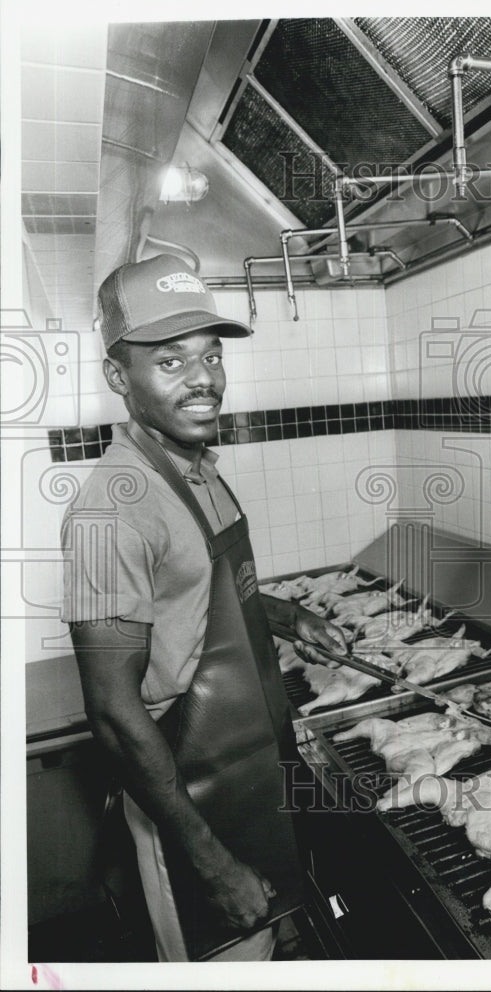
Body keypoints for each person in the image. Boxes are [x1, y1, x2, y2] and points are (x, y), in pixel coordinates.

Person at [60, 253, 347, 962]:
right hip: (191, 803)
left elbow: (198, 592)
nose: (203, 378)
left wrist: (287, 618)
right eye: (170, 360)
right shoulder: (114, 510)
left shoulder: (196, 469)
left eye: (210, 355)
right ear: (118, 378)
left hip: (254, 772)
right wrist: (209, 862)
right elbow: (114, 715)